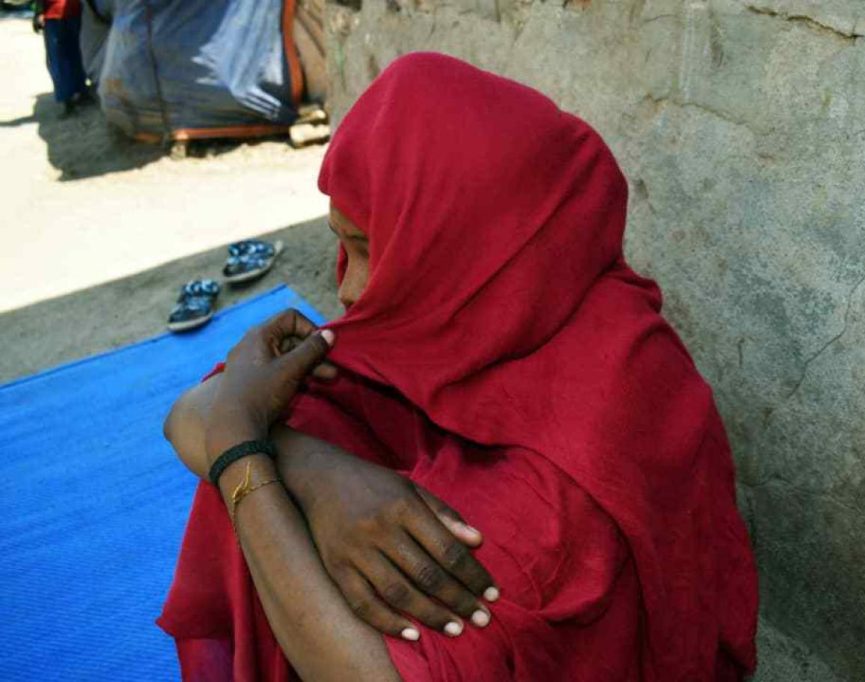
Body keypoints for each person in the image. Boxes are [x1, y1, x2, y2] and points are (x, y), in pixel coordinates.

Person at [159, 52, 758, 681]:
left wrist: (245, 458)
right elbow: (191, 416)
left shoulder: (559, 490)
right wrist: (316, 472)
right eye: (344, 244)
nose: (350, 290)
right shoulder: (500, 311)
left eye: (368, 248)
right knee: (283, 424)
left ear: (463, 244)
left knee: (252, 474)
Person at [32, 0, 89, 118]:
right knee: (75, 54)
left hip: (55, 14)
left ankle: (68, 100)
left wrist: (38, 12)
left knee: (58, 59)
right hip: (74, 11)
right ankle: (81, 92)